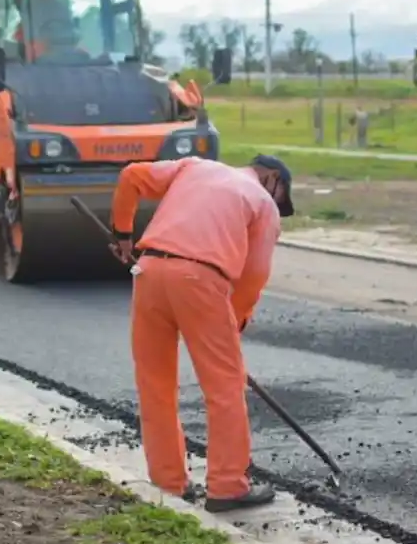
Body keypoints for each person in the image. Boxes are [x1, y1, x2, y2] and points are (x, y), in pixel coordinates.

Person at [107, 153, 295, 513]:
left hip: (148, 271)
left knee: (155, 382)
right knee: (224, 385)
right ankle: (227, 486)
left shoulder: (194, 166)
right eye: (282, 197)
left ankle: (168, 481)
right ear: (273, 178)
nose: (278, 206)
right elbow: (254, 274)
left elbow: (131, 175)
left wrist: (123, 234)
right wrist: (234, 321)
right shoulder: (262, 203)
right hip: (200, 279)